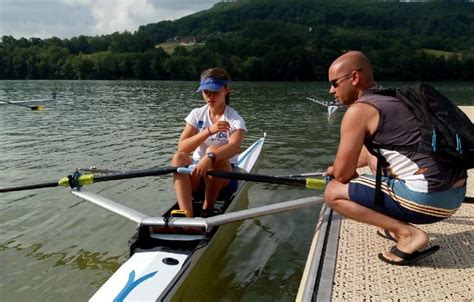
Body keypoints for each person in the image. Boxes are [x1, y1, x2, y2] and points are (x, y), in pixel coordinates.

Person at [323, 51, 467, 265]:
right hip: (456, 193)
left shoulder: (359, 111)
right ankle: (397, 225)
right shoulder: (393, 97)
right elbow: (378, 152)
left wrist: (338, 172)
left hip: (430, 200)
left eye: (335, 83)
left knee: (333, 192)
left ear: (354, 78)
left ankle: (408, 235)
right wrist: (337, 167)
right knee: (375, 160)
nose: (331, 90)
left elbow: (344, 176)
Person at [172, 67, 246, 218]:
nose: (209, 97)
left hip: (224, 181)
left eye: (215, 92)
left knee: (212, 150)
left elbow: (234, 147)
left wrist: (210, 157)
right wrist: (209, 130)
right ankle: (186, 215)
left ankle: (208, 208)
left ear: (226, 90)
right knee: (178, 157)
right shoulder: (197, 114)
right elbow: (182, 146)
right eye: (206, 92)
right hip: (198, 174)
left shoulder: (234, 119)